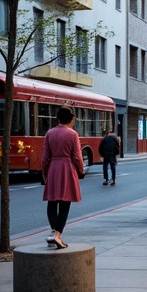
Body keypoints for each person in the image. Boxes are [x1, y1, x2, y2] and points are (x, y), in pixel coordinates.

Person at [41, 105, 84, 249]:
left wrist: (46, 172)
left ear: (58, 118)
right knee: (65, 204)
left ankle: (53, 232)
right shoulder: (73, 134)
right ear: (71, 119)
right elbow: (77, 156)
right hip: (67, 168)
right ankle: (57, 235)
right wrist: (81, 170)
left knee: (52, 202)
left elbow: (45, 157)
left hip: (53, 168)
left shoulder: (49, 133)